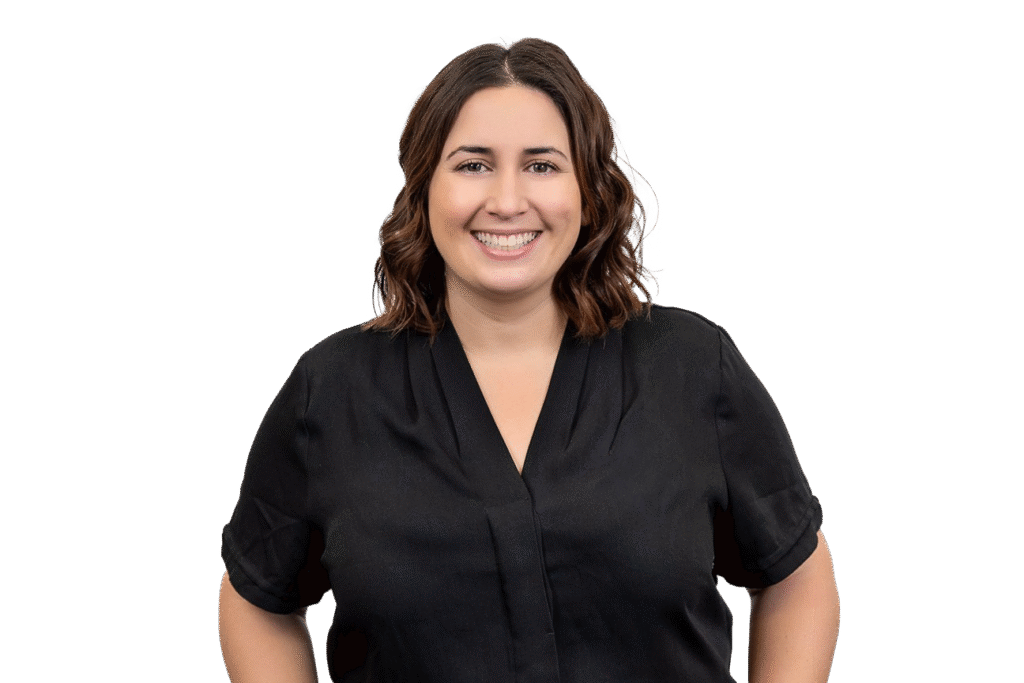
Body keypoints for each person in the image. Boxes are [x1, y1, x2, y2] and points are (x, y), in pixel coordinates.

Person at [218, 36, 840, 682]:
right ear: (424, 188)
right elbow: (256, 594)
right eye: (473, 165)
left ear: (588, 189)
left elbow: (796, 574)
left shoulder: (693, 367)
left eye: (542, 165)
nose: (508, 201)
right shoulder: (330, 391)